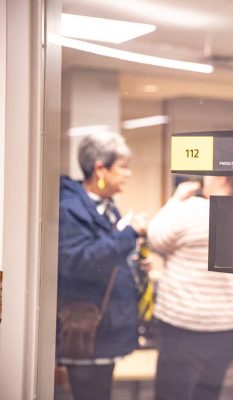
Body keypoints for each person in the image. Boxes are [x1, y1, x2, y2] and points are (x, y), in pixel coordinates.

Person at [147, 176, 233, 400]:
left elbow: (155, 238)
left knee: (172, 393)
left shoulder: (193, 210)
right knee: (208, 391)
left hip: (188, 323)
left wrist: (176, 199)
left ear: (221, 179)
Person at [57, 131, 147, 400]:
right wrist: (129, 234)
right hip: (86, 328)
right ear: (100, 169)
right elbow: (81, 261)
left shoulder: (106, 206)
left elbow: (106, 254)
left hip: (106, 327)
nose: (127, 174)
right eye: (122, 167)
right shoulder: (70, 208)